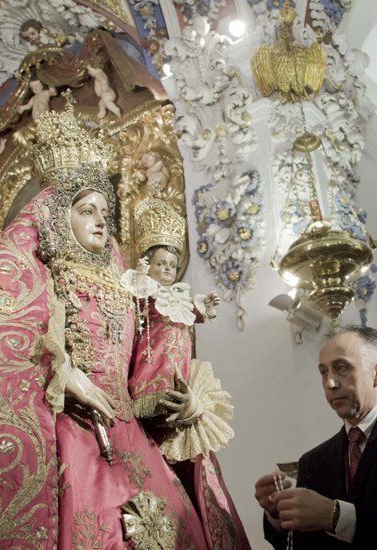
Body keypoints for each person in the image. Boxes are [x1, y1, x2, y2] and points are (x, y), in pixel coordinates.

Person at [0, 98, 210, 548]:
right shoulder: (36, 272)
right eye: (87, 211)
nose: (101, 223)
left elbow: (144, 375)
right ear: (56, 215)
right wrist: (63, 372)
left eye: (105, 214)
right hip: (70, 431)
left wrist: (180, 405)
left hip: (129, 441)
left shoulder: (131, 291)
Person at [121, 196, 251, 548]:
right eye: (160, 263)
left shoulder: (175, 301)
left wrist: (203, 306)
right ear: (146, 265)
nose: (166, 271)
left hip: (180, 391)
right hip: (143, 387)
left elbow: (192, 314)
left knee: (198, 483)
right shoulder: (136, 296)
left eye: (172, 266)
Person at [254, 326, 377, 549]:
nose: (330, 383)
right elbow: (302, 544)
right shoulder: (313, 461)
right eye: (324, 372)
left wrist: (337, 516)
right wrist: (279, 514)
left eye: (341, 368)